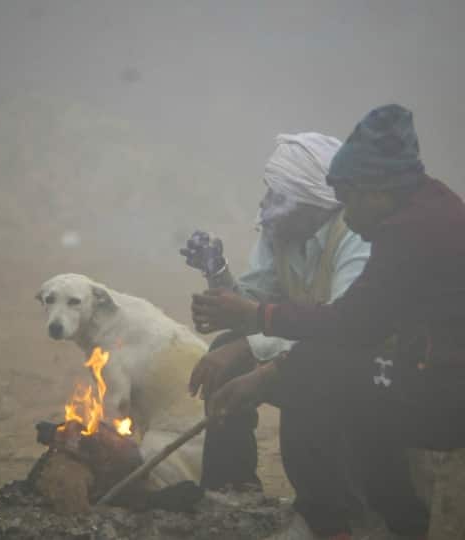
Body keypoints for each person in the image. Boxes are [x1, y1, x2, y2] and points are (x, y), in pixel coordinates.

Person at [192, 104, 465, 539]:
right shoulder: (416, 209)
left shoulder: (399, 232)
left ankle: (331, 523)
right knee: (279, 360)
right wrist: (225, 284)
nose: (347, 214)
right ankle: (231, 491)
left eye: (348, 201)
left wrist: (264, 353)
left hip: (442, 390)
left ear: (373, 193)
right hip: (414, 369)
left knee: (311, 372)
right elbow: (274, 307)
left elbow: (353, 326)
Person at [185, 133, 371, 491]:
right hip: (308, 347)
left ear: (312, 203)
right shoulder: (282, 231)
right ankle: (230, 490)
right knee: (225, 350)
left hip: (357, 364)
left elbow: (344, 330)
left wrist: (248, 349)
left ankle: (327, 507)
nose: (265, 203)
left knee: (298, 377)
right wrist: (217, 272)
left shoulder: (355, 237)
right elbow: (252, 306)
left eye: (277, 195)